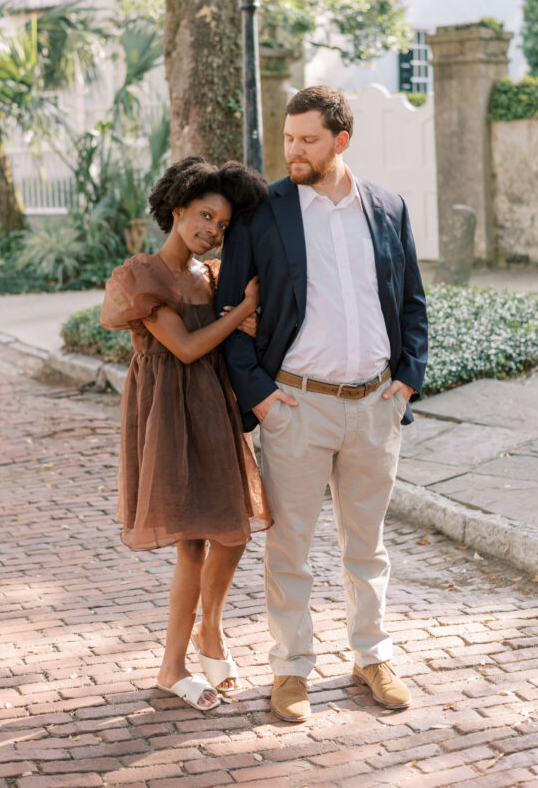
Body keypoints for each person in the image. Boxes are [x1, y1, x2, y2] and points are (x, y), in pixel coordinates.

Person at [217, 86, 428, 722]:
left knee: (367, 545)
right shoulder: (263, 212)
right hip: (295, 408)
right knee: (290, 548)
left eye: (308, 140)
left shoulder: (387, 208)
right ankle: (291, 670)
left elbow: (412, 302)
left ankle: (371, 656)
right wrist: (262, 400)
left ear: (341, 140)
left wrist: (407, 380)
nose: (294, 151)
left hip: (374, 406)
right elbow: (230, 311)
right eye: (288, 138)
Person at [100, 156, 271, 713]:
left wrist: (242, 310)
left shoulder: (213, 276)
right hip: (169, 411)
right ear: (176, 211)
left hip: (212, 408)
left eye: (221, 224)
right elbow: (189, 347)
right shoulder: (142, 276)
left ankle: (210, 633)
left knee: (235, 532)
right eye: (203, 216)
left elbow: (232, 337)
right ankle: (172, 666)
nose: (211, 231)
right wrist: (244, 307)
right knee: (195, 542)